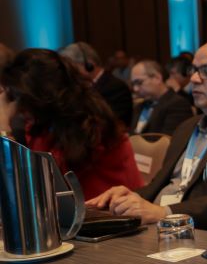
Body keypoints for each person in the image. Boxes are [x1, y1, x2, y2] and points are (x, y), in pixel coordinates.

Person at [87, 40, 207, 232]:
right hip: (158, 229)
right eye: (194, 70)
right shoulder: (187, 127)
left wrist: (165, 214)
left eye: (206, 71)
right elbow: (161, 185)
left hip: (203, 237)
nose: (193, 79)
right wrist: (126, 198)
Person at [0, 49, 142, 199]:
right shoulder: (43, 127)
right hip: (76, 216)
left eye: (17, 97)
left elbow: (30, 193)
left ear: (41, 97)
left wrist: (3, 128)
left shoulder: (90, 130)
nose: (16, 107)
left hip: (111, 215)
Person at [60, 42, 133, 129]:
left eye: (72, 67)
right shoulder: (76, 87)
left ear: (89, 65)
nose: (70, 72)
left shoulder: (116, 88)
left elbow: (112, 124)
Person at [130, 60, 194, 135]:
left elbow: (168, 141)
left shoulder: (178, 104)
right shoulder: (139, 106)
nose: (135, 89)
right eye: (133, 84)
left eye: (139, 82)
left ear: (157, 78)